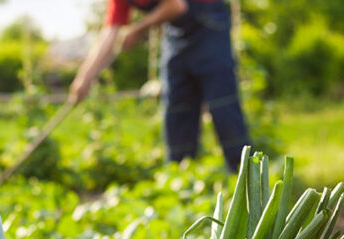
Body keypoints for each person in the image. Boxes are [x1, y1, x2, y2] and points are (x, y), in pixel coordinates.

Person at [69, 0, 251, 171]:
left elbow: (176, 5)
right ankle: (180, 176)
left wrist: (139, 28)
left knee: (222, 106)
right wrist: (84, 78)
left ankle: (242, 175)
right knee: (177, 107)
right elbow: (110, 32)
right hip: (176, 34)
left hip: (210, 25)